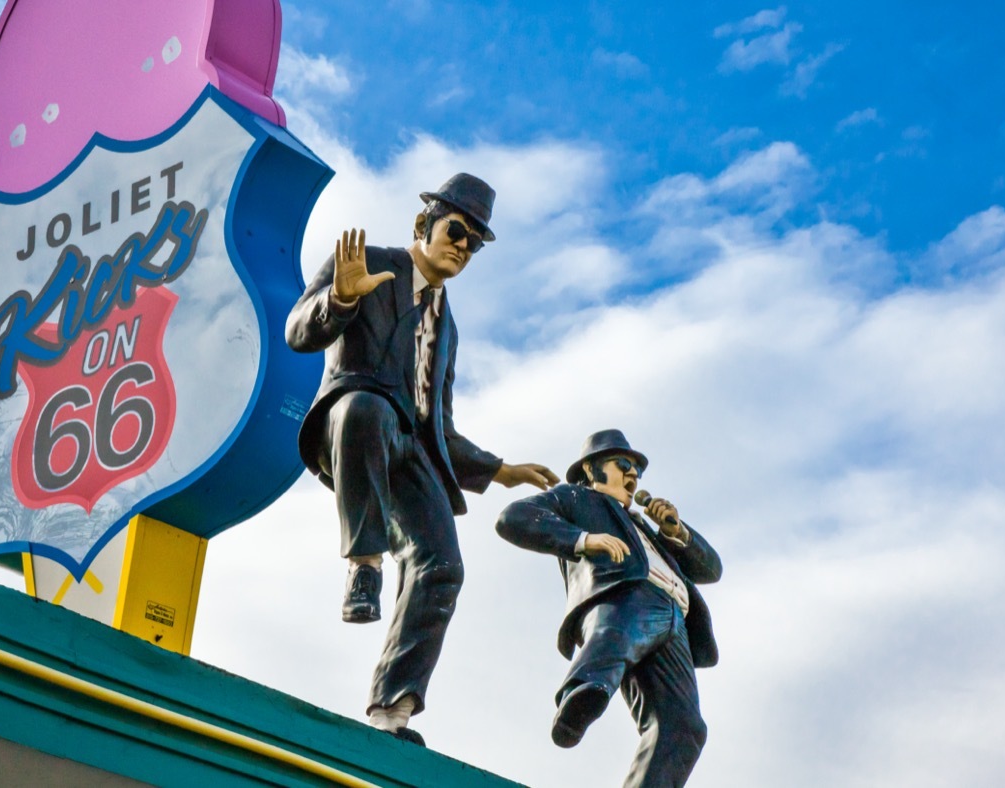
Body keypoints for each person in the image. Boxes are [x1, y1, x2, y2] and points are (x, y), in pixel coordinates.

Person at [285, 173, 558, 744]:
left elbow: (440, 427)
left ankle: (394, 709)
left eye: (474, 243)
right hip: (356, 425)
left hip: (411, 447)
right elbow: (297, 331)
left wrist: (499, 469)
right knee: (365, 406)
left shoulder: (447, 327)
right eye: (456, 230)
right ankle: (365, 564)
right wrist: (341, 298)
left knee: (443, 565)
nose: (462, 246)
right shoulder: (368, 263)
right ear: (422, 226)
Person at [495, 429, 722, 787]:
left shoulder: (646, 528)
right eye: (623, 465)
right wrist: (582, 540)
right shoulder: (576, 499)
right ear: (592, 467)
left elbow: (712, 569)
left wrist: (677, 532)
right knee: (616, 633)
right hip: (622, 594)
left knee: (685, 726)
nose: (632, 475)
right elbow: (513, 518)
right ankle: (583, 692)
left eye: (637, 471)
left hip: (675, 616)